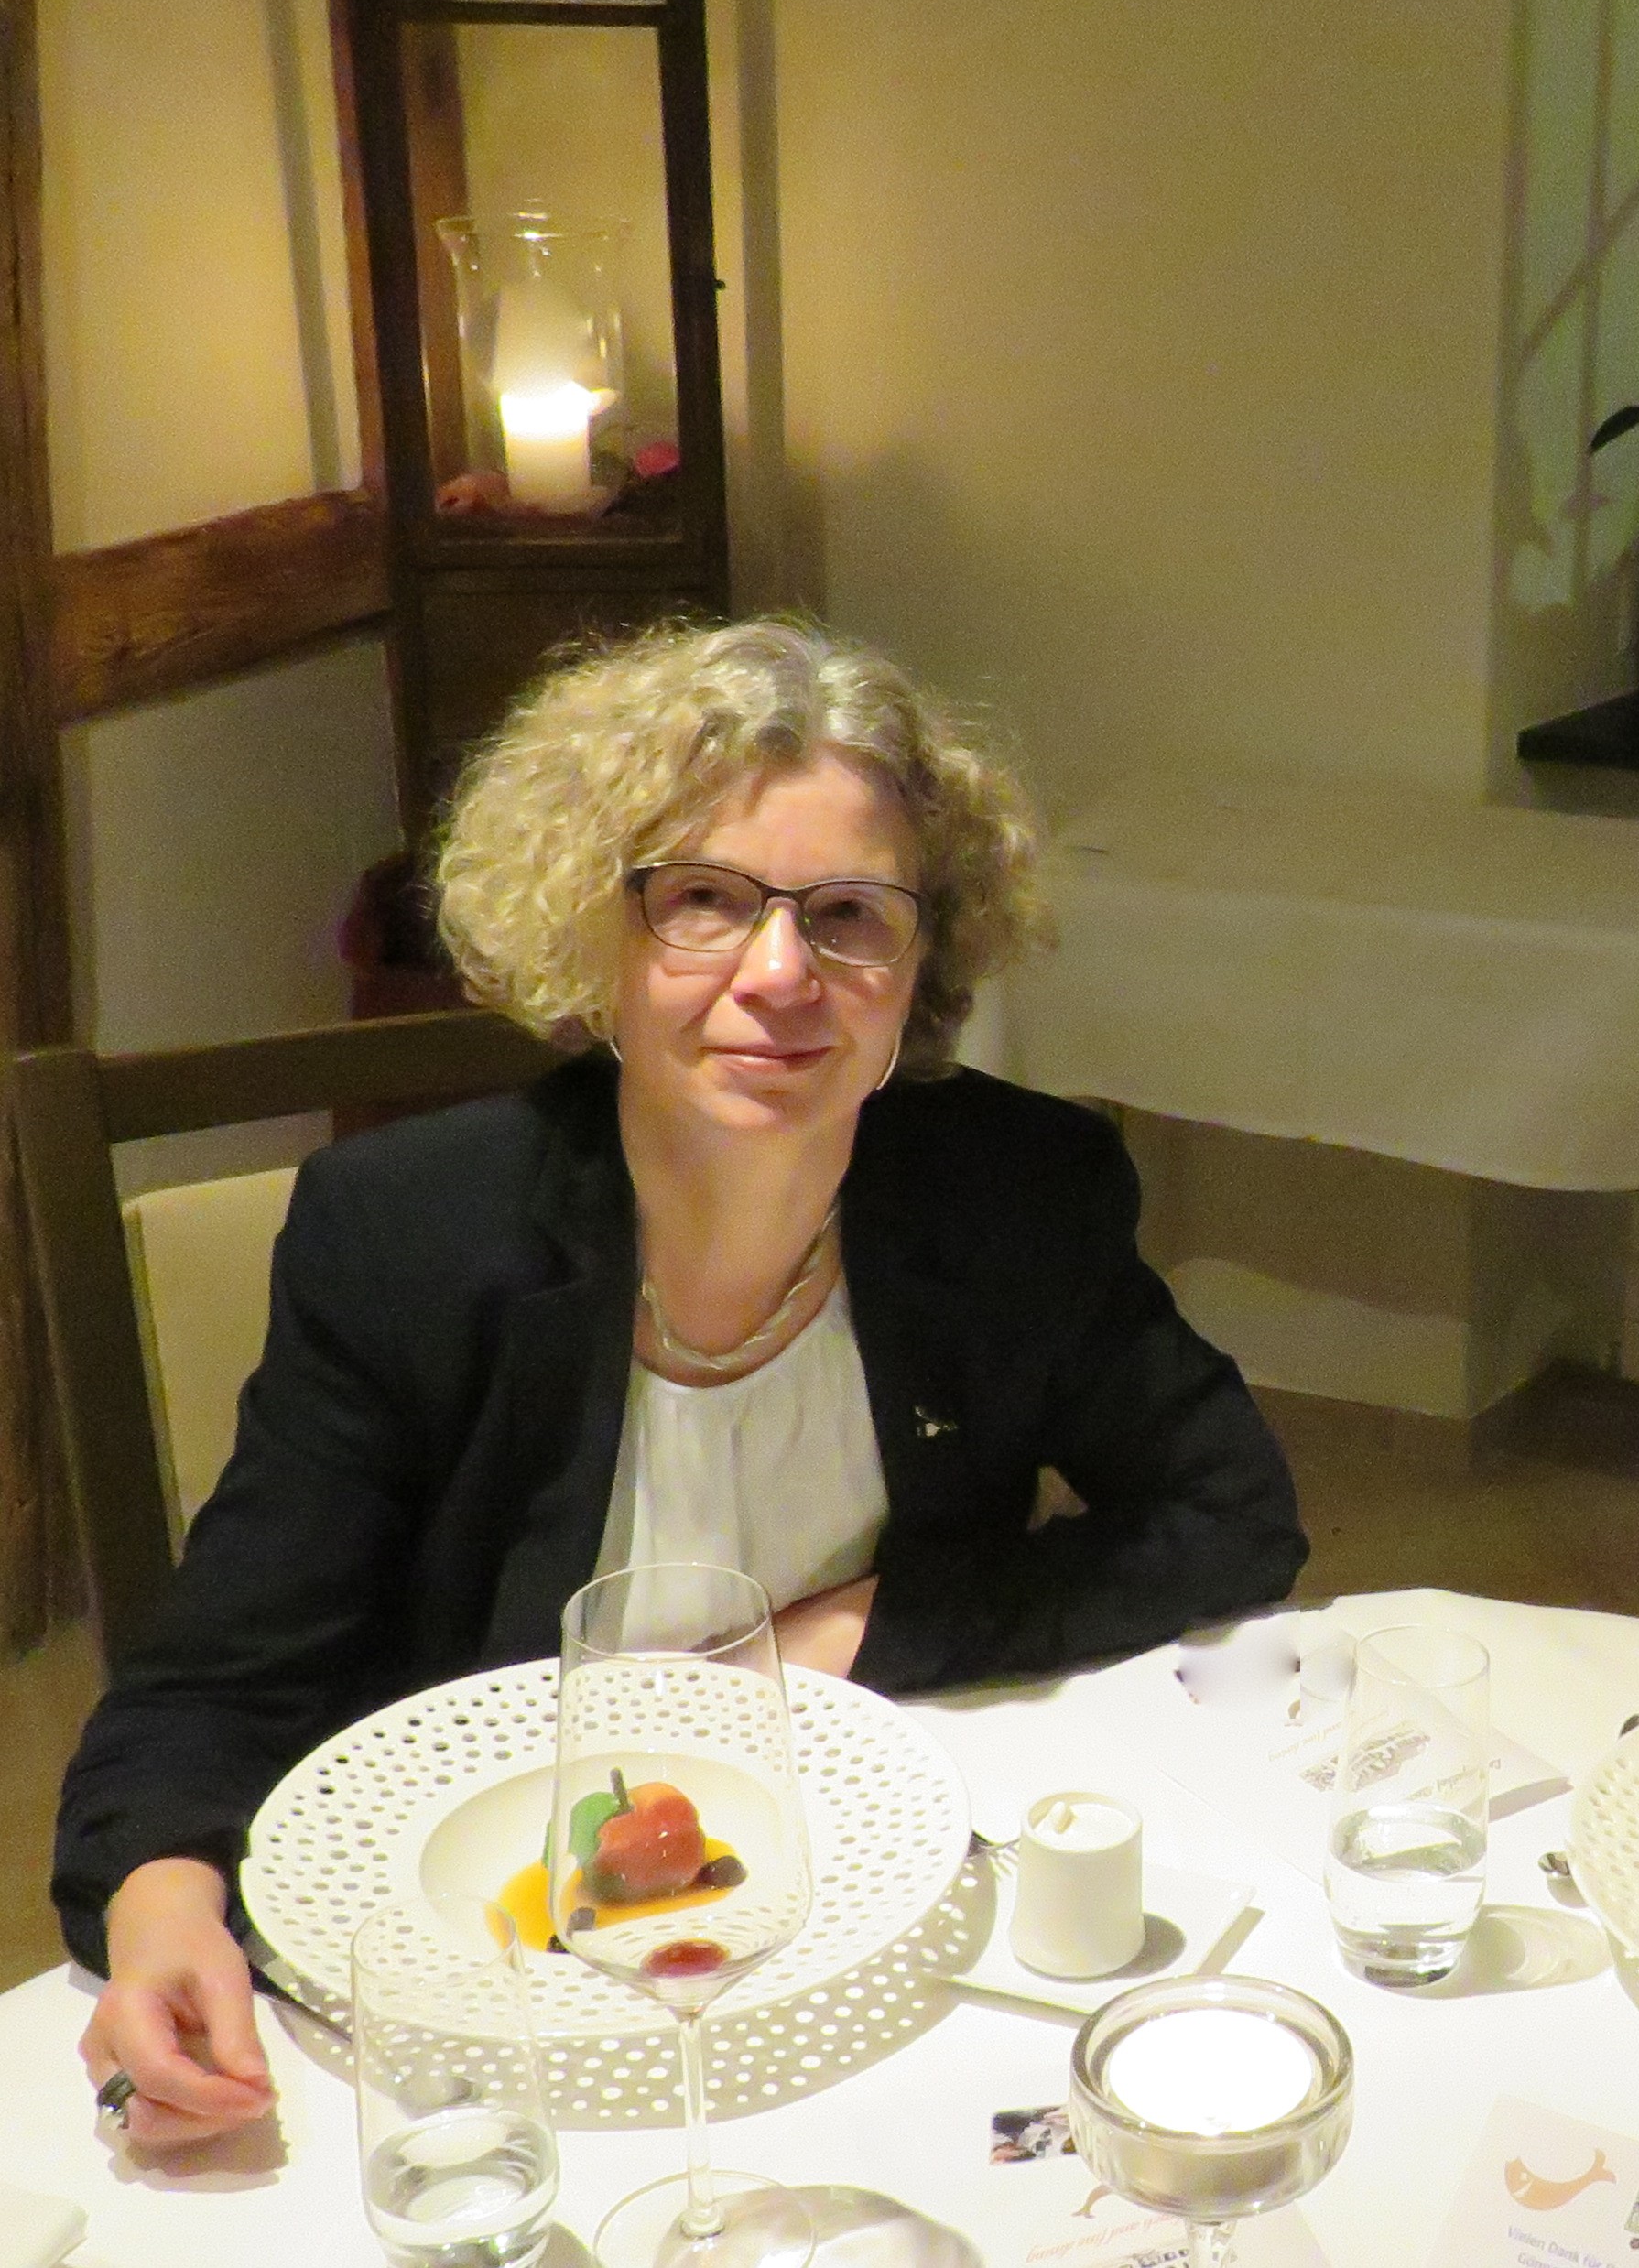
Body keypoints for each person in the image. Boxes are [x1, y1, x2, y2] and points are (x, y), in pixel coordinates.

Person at [56, 617, 1308, 2147]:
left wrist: (846, 1630)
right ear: (602, 932)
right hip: (511, 1990)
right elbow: (211, 1687)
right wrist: (162, 1898)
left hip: (871, 1932)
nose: (779, 974)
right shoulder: (410, 1237)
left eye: (847, 915)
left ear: (921, 963)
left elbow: (1231, 1515)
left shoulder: (1014, 1193)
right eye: (705, 900)